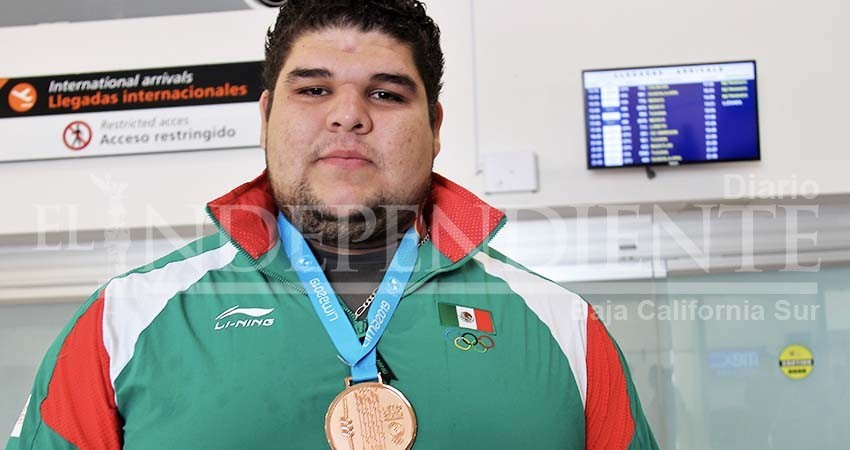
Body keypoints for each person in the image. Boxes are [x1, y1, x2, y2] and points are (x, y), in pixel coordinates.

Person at [6, 1, 658, 449]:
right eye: (313, 90)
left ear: (434, 128)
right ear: (265, 118)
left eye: (385, 93)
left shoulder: (564, 325)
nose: (348, 115)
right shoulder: (123, 320)